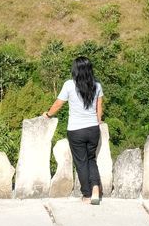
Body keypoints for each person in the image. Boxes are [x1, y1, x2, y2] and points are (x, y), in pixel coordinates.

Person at [43, 56, 104, 204]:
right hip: (93, 129)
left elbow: (58, 104)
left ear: (75, 70)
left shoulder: (69, 85)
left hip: (76, 131)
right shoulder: (97, 86)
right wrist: (97, 122)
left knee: (81, 163)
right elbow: (99, 109)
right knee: (91, 159)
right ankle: (96, 188)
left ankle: (87, 195)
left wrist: (48, 114)